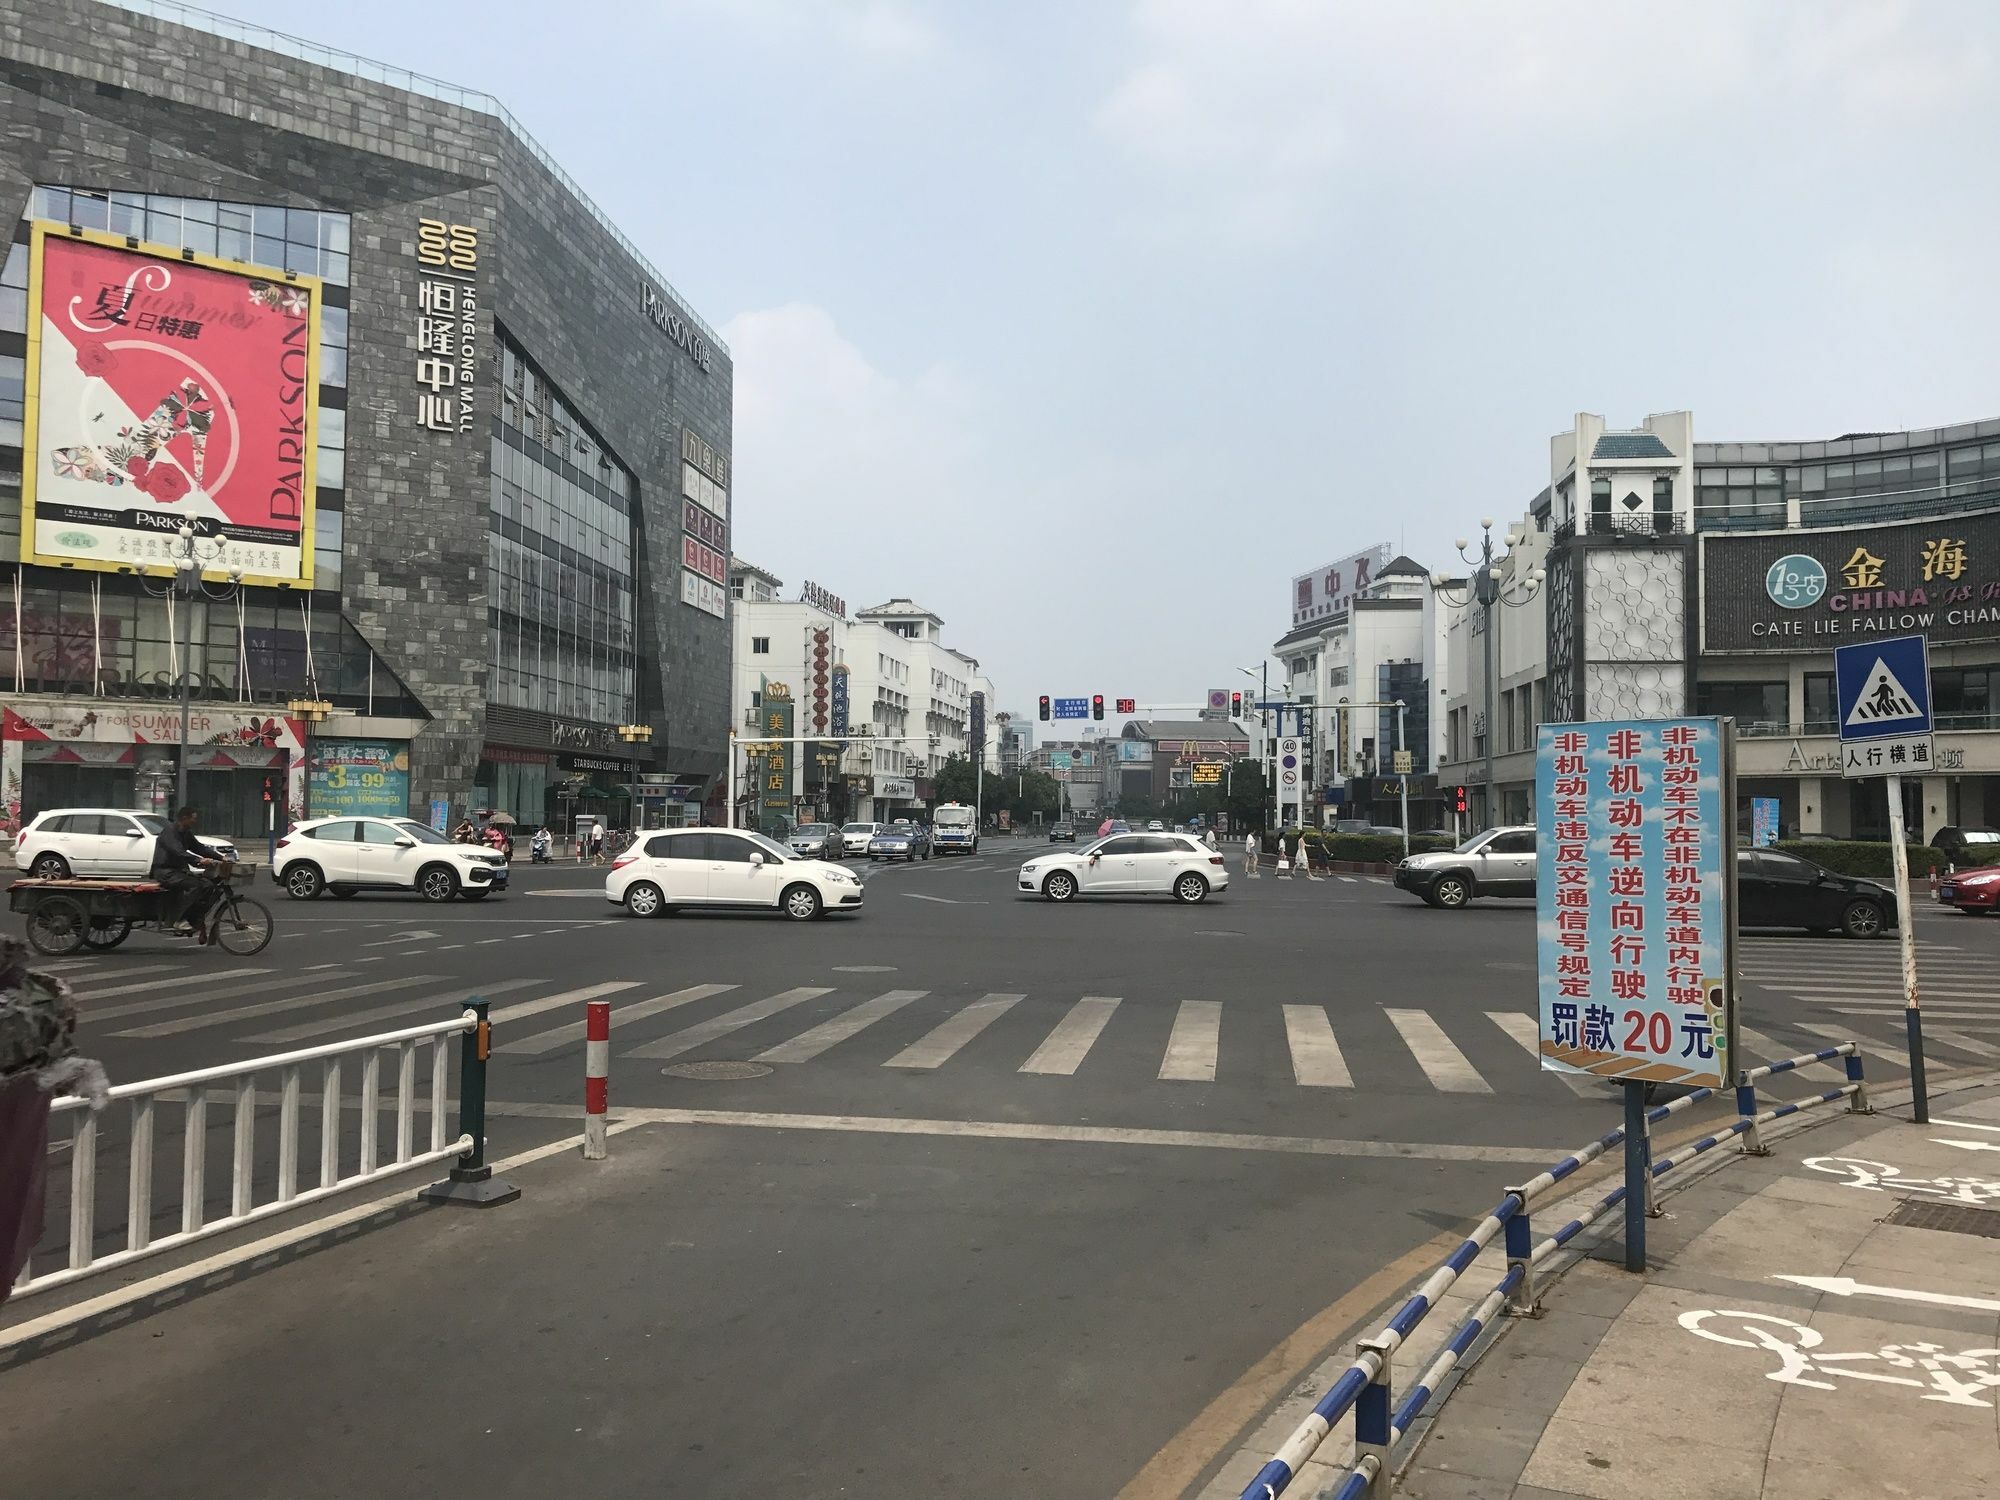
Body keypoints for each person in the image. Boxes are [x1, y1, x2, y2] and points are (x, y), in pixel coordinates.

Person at [151, 804, 222, 940]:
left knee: (208, 885)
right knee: (194, 885)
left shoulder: (185, 833)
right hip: (165, 872)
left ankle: (193, 917)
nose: (195, 822)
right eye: (193, 819)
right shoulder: (169, 832)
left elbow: (200, 848)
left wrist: (221, 857)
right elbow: (179, 852)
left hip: (177, 871)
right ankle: (177, 919)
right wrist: (199, 861)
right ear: (184, 818)